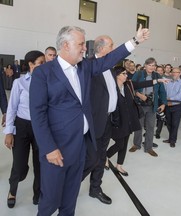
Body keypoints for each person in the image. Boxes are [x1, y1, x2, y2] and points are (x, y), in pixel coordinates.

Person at [29, 25, 150, 216]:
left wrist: (134, 41)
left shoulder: (84, 67)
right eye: (81, 44)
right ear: (66, 45)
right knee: (50, 200)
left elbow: (109, 58)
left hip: (82, 144)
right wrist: (48, 148)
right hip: (57, 148)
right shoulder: (43, 73)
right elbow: (37, 114)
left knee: (70, 198)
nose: (85, 48)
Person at [107, 66, 168, 175]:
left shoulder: (128, 85)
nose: (126, 76)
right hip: (117, 121)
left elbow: (143, 84)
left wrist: (158, 80)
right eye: (124, 74)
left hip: (129, 120)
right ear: (117, 75)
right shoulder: (111, 87)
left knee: (124, 144)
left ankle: (119, 165)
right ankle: (105, 156)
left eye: (126, 73)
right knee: (119, 143)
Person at [4, 50, 45, 208]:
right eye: (41, 63)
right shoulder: (19, 83)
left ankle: (38, 193)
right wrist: (9, 132)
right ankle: (12, 190)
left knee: (39, 163)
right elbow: (12, 108)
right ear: (31, 64)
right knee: (19, 165)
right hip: (22, 126)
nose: (44, 65)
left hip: (40, 127)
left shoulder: (46, 82)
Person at [88, 35, 118, 205]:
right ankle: (69, 188)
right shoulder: (90, 65)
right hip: (93, 122)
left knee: (101, 156)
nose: (113, 49)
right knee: (88, 158)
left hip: (108, 120)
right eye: (111, 45)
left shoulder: (111, 68)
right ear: (101, 48)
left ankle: (95, 188)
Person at [129, 57, 167, 157]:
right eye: (149, 65)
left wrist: (163, 103)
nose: (151, 67)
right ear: (145, 65)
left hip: (152, 105)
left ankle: (148, 147)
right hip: (140, 104)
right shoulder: (139, 74)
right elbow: (131, 86)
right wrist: (138, 94)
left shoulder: (157, 75)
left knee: (151, 127)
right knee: (138, 126)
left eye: (153, 65)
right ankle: (136, 145)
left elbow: (162, 91)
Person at [162, 67, 181, 147]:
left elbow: (180, 95)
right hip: (167, 106)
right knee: (168, 123)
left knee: (175, 124)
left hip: (177, 106)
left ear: (180, 73)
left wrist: (169, 100)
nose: (174, 74)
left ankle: (173, 140)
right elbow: (165, 92)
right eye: (173, 72)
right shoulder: (168, 82)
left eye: (176, 72)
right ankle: (170, 138)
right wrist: (166, 100)